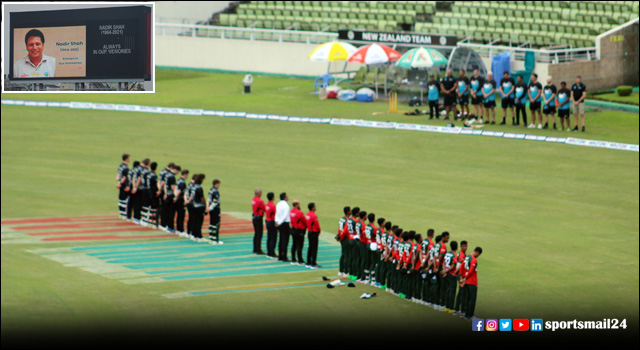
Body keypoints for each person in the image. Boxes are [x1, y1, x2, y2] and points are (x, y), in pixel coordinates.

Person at [461, 246, 483, 320]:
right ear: (477, 252)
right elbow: (471, 271)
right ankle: (470, 316)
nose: (478, 256)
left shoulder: (467, 257)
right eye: (479, 254)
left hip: (466, 282)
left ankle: (466, 314)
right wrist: (465, 278)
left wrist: (462, 278)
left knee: (467, 298)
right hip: (472, 282)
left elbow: (461, 268)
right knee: (472, 299)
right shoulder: (473, 260)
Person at [441, 240, 458, 314]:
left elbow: (444, 263)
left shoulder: (447, 253)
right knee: (452, 291)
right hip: (452, 275)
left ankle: (446, 307)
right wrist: (446, 271)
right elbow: (453, 266)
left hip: (446, 274)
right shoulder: (455, 255)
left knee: (447, 290)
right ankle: (451, 308)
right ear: (457, 247)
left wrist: (444, 270)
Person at [157, 162, 175, 229]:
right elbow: (163, 183)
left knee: (162, 207)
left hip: (162, 191)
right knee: (166, 209)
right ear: (171, 167)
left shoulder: (162, 171)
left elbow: (159, 181)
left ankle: (161, 223)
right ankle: (164, 224)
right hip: (166, 192)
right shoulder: (168, 174)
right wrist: (163, 191)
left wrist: (159, 189)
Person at [289, 200, 307, 265]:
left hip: (293, 229)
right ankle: (300, 260)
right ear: (297, 205)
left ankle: (293, 258)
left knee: (294, 244)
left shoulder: (291, 211)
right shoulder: (299, 212)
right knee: (299, 245)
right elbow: (304, 221)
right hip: (299, 230)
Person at [162, 165, 179, 232]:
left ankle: (164, 225)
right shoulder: (172, 176)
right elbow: (173, 187)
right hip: (171, 195)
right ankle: (170, 227)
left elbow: (164, 185)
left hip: (167, 194)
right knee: (171, 212)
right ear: (176, 170)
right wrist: (176, 196)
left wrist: (165, 193)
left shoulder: (167, 175)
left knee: (165, 211)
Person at [275, 192, 291, 262]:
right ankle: (284, 256)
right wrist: (280, 222)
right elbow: (285, 216)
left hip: (279, 222)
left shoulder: (278, 204)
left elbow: (277, 214)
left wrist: (277, 222)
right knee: (285, 240)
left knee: (281, 239)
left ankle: (280, 256)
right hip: (284, 224)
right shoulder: (286, 206)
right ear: (285, 197)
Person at [453, 240, 468, 316]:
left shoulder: (461, 254)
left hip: (460, 275)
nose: (465, 247)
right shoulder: (462, 255)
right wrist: (459, 275)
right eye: (463, 246)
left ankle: (457, 309)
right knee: (462, 292)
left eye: (466, 246)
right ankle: (459, 310)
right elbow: (459, 266)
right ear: (460, 247)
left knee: (461, 292)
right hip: (460, 275)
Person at [190, 174, 206, 241]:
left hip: (193, 205)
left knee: (194, 220)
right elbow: (202, 198)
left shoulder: (193, 186)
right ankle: (199, 236)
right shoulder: (199, 187)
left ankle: (193, 234)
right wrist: (205, 205)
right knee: (199, 221)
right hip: (199, 206)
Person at [336, 206, 351, 277]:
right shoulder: (347, 220)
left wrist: (338, 236)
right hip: (345, 238)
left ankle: (341, 270)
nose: (351, 211)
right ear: (348, 212)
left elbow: (339, 228)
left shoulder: (342, 219)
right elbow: (345, 231)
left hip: (341, 237)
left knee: (343, 254)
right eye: (350, 210)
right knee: (346, 255)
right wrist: (341, 237)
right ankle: (345, 272)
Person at [305, 202, 321, 269]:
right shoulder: (314, 215)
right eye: (315, 206)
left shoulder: (307, 214)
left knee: (310, 247)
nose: (315, 207)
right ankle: (313, 263)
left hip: (309, 231)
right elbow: (317, 225)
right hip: (314, 232)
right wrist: (319, 231)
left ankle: (308, 262)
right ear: (312, 208)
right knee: (314, 248)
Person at [207, 179, 222, 245]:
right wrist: (210, 208)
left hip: (211, 209)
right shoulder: (216, 191)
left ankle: (210, 238)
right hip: (215, 210)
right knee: (216, 224)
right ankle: (215, 240)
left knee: (211, 223)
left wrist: (208, 207)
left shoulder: (210, 190)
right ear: (216, 184)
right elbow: (215, 201)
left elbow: (208, 199)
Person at [144, 162, 159, 227]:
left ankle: (147, 220)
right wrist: (157, 192)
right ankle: (152, 221)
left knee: (148, 206)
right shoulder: (154, 175)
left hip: (147, 191)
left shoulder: (148, 174)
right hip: (152, 193)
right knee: (154, 207)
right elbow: (155, 185)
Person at [251, 188, 266, 254]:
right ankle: (258, 249)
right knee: (259, 234)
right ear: (259, 193)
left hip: (254, 217)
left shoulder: (253, 199)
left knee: (256, 233)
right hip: (258, 218)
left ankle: (255, 248)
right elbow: (264, 208)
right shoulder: (260, 201)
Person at [137, 159, 151, 226]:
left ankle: (141, 218)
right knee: (146, 205)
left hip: (141, 188)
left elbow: (139, 179)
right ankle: (144, 220)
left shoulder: (142, 171)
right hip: (146, 189)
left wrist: (136, 187)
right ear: (148, 163)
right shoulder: (147, 171)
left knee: (142, 204)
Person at [174, 169, 189, 234]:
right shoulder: (183, 182)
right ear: (185, 174)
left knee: (178, 214)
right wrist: (176, 197)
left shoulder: (178, 180)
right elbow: (180, 191)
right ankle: (181, 230)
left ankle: (178, 229)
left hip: (177, 199)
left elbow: (175, 189)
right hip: (180, 199)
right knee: (181, 214)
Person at [265, 192, 278, 259]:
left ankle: (269, 251)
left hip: (267, 221)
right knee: (273, 238)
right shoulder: (273, 206)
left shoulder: (267, 205)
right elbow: (276, 214)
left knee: (269, 237)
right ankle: (272, 252)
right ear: (273, 197)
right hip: (272, 221)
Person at [116, 154, 130, 218]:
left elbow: (118, 175)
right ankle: (124, 214)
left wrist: (118, 182)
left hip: (120, 184)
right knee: (124, 199)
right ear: (126, 159)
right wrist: (121, 183)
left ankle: (121, 213)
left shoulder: (120, 166)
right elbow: (124, 177)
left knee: (121, 199)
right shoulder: (126, 167)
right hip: (124, 185)